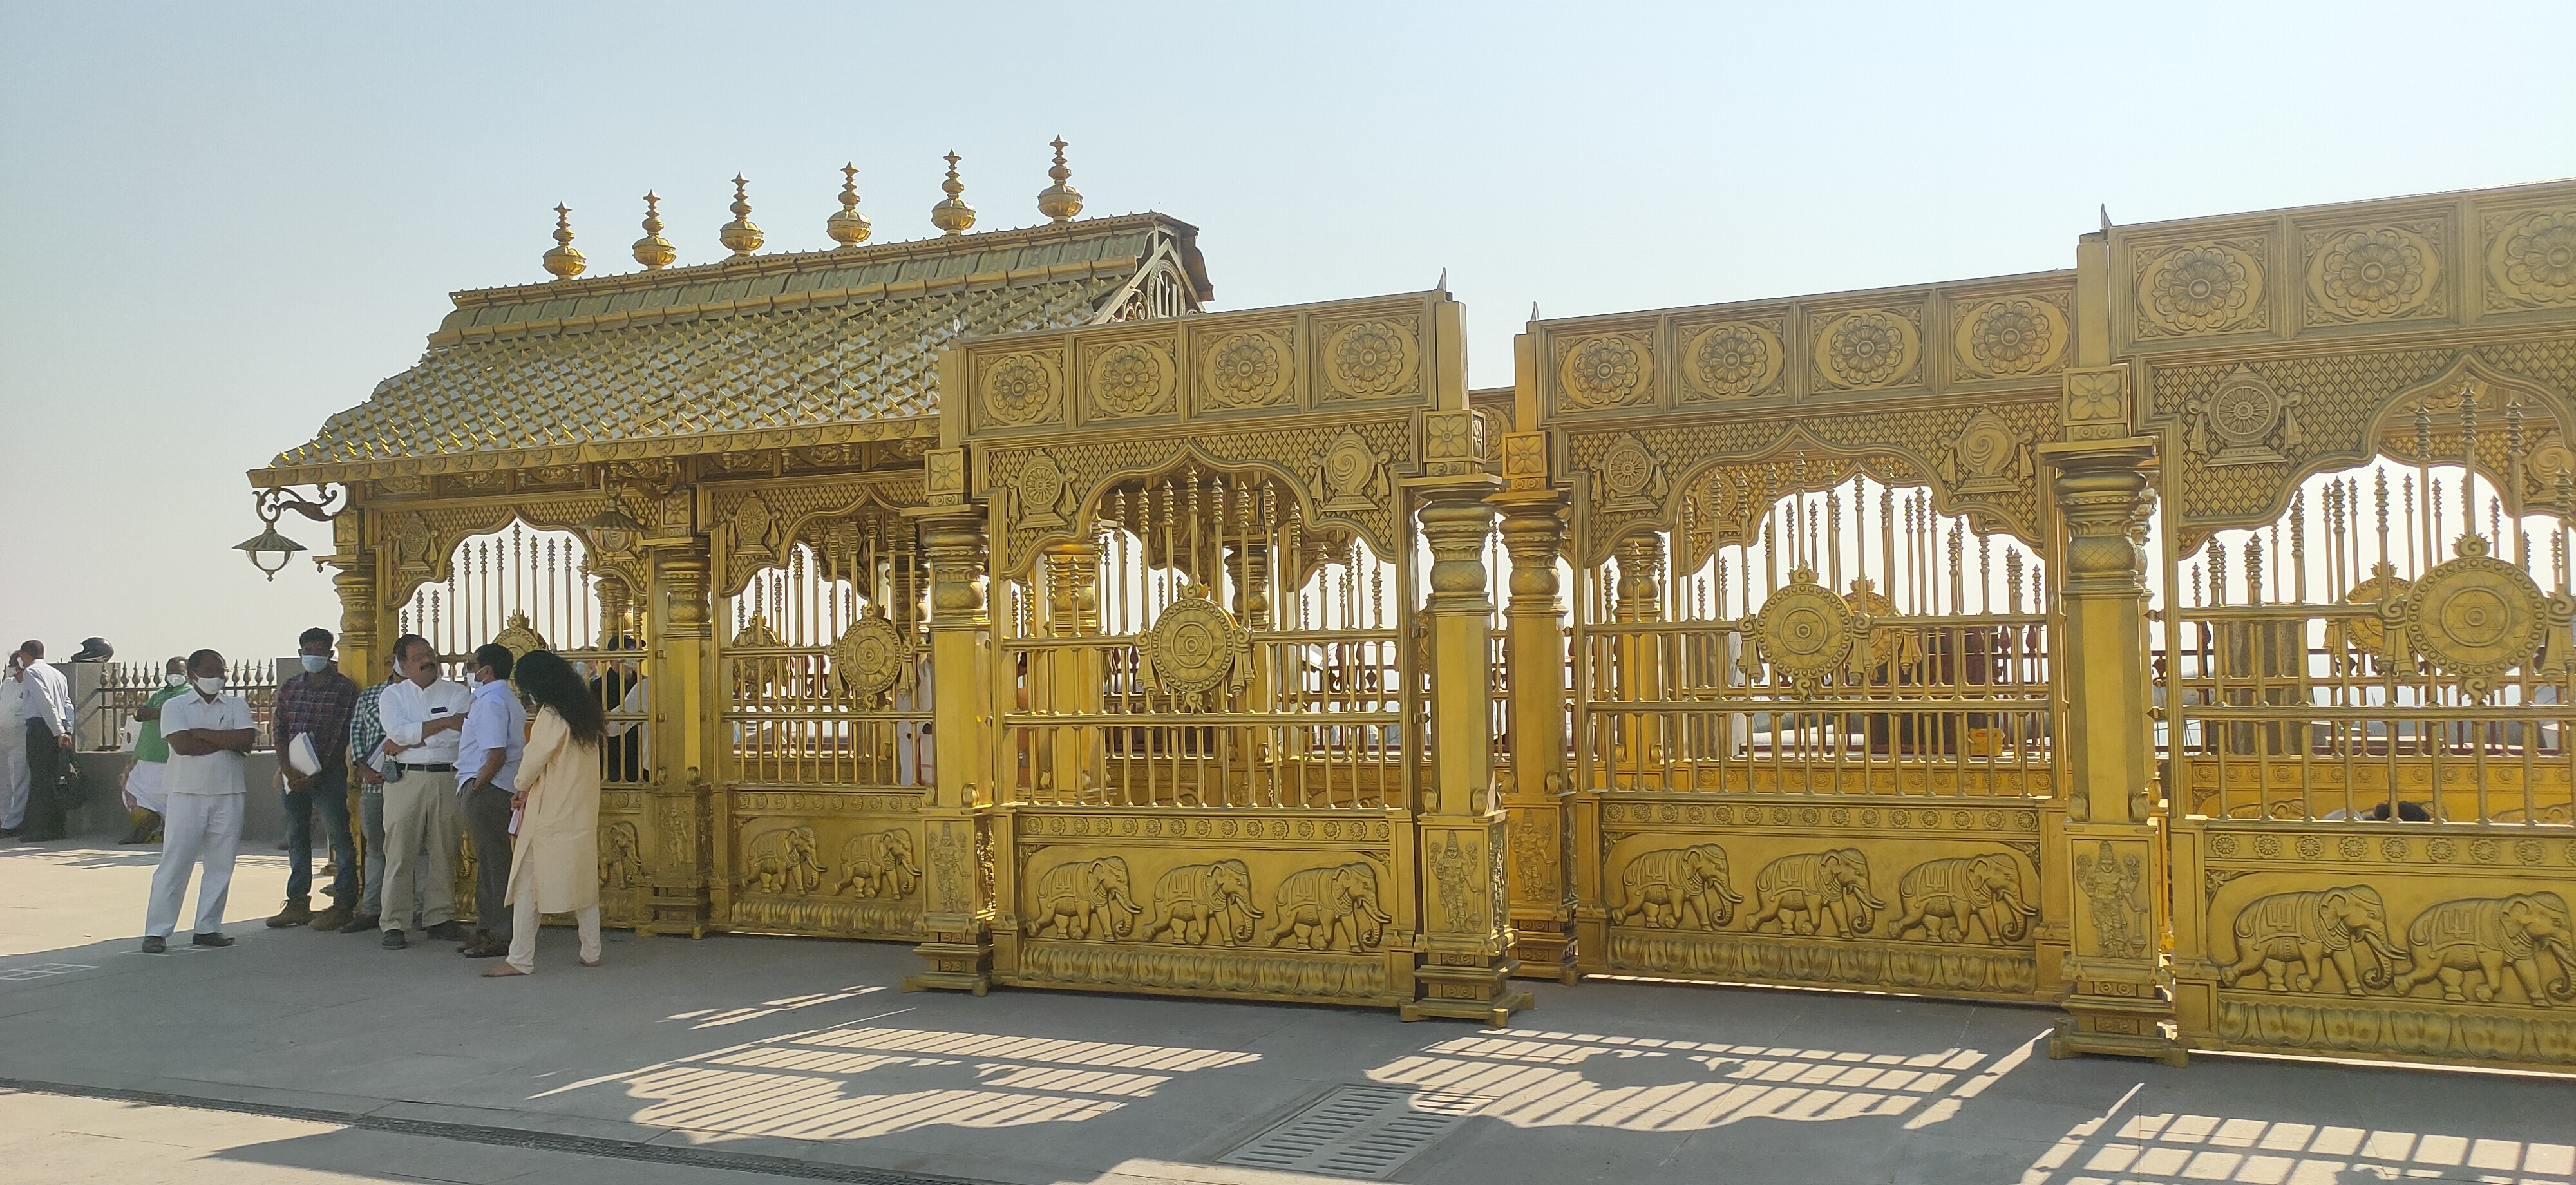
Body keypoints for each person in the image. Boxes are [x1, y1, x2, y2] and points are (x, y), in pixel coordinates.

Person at [488, 649, 604, 976]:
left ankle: (520, 958)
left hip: (549, 810)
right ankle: (591, 950)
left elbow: (533, 761)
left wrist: (520, 788)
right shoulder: (585, 711)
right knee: (583, 880)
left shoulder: (551, 716)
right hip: (579, 809)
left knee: (527, 881)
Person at [141, 650, 256, 952]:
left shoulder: (236, 704)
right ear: (192, 674)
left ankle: (208, 927)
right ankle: (157, 931)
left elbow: (245, 740)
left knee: (221, 864)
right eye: (209, 671)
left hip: (229, 793)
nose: (217, 677)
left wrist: (204, 734)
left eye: (221, 671)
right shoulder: (174, 706)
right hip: (186, 794)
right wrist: (224, 740)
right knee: (176, 862)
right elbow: (183, 746)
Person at [375, 635, 473, 951]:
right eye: (418, 656)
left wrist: (413, 736)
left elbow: (458, 738)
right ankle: (394, 923)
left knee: (445, 849)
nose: (427, 660)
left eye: (430, 653)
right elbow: (396, 732)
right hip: (406, 781)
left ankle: (439, 917)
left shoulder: (459, 692)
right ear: (402, 664)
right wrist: (443, 723)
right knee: (400, 852)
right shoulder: (393, 696)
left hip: (447, 778)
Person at [272, 628, 361, 929]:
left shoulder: (344, 690)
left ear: (330, 653)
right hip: (292, 774)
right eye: (309, 650)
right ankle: (297, 901)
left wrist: (314, 773)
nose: (314, 656)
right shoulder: (290, 688)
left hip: (329, 774)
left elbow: (341, 736)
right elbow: (280, 731)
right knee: (297, 837)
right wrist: (286, 769)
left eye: (321, 650)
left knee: (339, 837)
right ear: (300, 654)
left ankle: (344, 902)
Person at [454, 643, 526, 959]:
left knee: (495, 863)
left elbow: (495, 755)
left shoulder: (491, 702)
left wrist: (476, 787)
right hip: (495, 787)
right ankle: (487, 927)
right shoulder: (499, 698)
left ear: (488, 671)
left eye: (473, 665)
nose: (468, 670)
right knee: (490, 861)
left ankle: (500, 932)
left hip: (489, 788)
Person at [342, 647, 417, 934]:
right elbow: (356, 732)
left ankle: (423, 911)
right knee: (376, 848)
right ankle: (372, 909)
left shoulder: (426, 695)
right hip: (374, 784)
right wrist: (363, 769)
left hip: (412, 780)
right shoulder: (371, 695)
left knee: (419, 848)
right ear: (394, 661)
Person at [121, 658, 189, 844]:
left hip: (168, 755)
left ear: (188, 674)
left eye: (179, 672)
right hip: (146, 753)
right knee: (131, 787)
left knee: (172, 797)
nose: (175, 676)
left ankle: (169, 833)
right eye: (171, 672)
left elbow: (182, 712)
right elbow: (142, 712)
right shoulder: (161, 693)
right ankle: (147, 825)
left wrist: (157, 713)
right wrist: (144, 712)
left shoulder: (189, 693)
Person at [16, 641, 75, 842]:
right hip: (56, 729)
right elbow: (67, 704)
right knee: (54, 778)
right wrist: (67, 730)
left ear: (25, 655)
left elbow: (45, 702)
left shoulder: (32, 672)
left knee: (41, 780)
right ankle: (56, 827)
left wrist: (58, 731)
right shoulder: (58, 674)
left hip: (41, 728)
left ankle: (44, 829)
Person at [1, 652, 25, 837]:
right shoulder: (8, 685)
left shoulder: (31, 684)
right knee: (5, 785)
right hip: (4, 740)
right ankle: (3, 820)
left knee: (19, 783)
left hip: (20, 741)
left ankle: (13, 823)